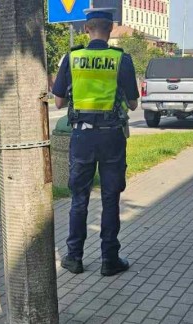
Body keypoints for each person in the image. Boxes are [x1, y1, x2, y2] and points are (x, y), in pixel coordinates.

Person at [51, 8, 139, 277]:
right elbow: (133, 104)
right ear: (110, 29)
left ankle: (74, 257)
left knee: (79, 199)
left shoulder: (72, 57)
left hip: (82, 137)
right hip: (112, 137)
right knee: (111, 198)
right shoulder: (121, 59)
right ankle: (109, 260)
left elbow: (58, 102)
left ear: (86, 29)